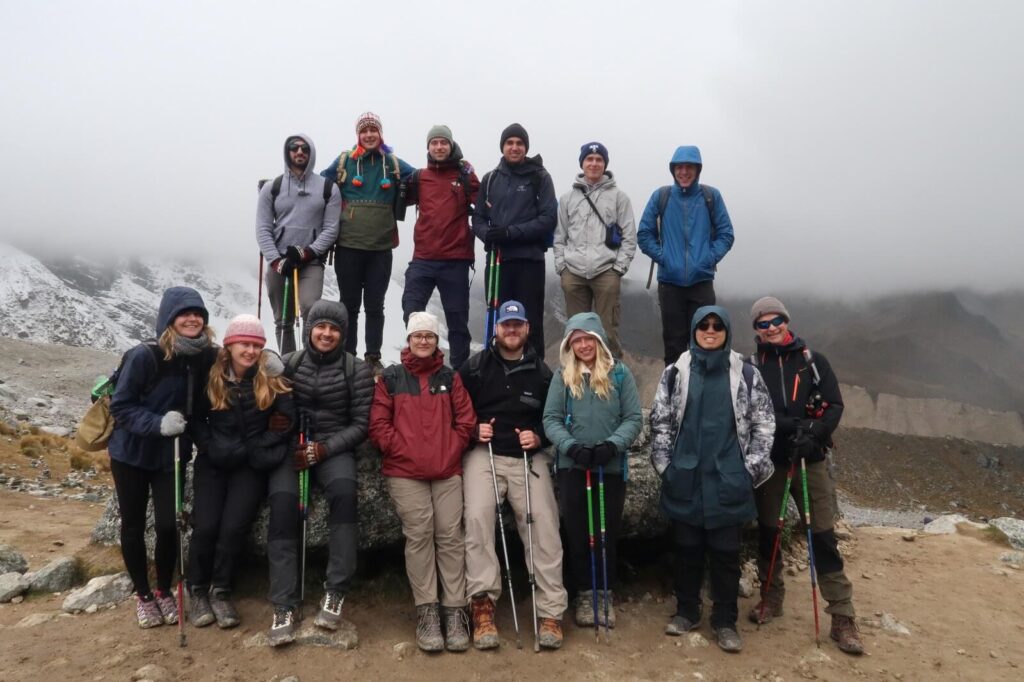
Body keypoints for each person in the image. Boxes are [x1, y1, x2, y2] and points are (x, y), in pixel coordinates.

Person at [649, 306, 775, 653]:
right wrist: (665, 466)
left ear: (726, 331)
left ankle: (724, 621)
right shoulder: (676, 372)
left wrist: (748, 470)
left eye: (717, 325)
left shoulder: (746, 374)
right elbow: (660, 420)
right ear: (693, 330)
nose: (710, 330)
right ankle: (686, 611)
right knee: (686, 550)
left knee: (725, 554)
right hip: (685, 477)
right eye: (703, 325)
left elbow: (764, 425)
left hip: (728, 480)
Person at [747, 296, 864, 655]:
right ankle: (771, 597)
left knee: (823, 536)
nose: (771, 328)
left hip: (810, 461)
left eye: (776, 320)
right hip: (773, 461)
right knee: (770, 533)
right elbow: (754, 413)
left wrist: (812, 436)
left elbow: (835, 405)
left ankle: (842, 615)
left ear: (787, 321)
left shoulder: (813, 362)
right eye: (763, 323)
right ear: (756, 330)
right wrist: (793, 427)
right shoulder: (752, 366)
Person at [458, 300, 567, 650]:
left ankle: (550, 611)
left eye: (518, 324)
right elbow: (456, 413)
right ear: (496, 329)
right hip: (483, 454)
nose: (512, 330)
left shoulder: (543, 372)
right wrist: (474, 430)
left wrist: (539, 436)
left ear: (527, 329)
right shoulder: (474, 368)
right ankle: (482, 604)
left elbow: (555, 418)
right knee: (476, 518)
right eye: (506, 324)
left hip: (526, 457)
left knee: (545, 523)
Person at [265, 300, 374, 646]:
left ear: (342, 333)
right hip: (291, 447)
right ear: (309, 328)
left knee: (344, 495)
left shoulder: (355, 369)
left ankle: (336, 589)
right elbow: (272, 404)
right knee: (282, 507)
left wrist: (323, 449)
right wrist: (278, 422)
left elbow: (361, 425)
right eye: (321, 327)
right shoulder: (290, 363)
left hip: (332, 448)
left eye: (334, 328)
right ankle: (284, 602)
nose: (326, 334)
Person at [108, 286, 217, 628]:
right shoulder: (145, 356)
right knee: (134, 524)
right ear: (169, 319)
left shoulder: (205, 357)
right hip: (132, 453)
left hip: (173, 455)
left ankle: (163, 591)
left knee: (169, 526)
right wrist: (158, 424)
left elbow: (212, 395)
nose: (192, 318)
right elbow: (121, 407)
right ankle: (142, 595)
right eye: (183, 313)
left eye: (198, 313)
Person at [369, 312, 477, 652]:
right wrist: (399, 449)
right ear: (409, 339)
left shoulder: (450, 377)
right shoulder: (391, 378)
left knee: (450, 536)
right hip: (404, 472)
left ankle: (455, 610)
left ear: (435, 341)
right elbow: (378, 423)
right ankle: (427, 610)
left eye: (429, 336)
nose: (424, 341)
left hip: (446, 471)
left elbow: (466, 421)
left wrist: (451, 448)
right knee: (419, 534)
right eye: (418, 336)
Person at [187, 314, 294, 629]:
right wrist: (208, 446)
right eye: (244, 344)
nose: (250, 351)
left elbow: (288, 420)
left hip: (249, 464)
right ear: (230, 345)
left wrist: (259, 446)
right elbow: (195, 419)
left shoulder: (270, 377)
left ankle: (220, 590)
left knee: (233, 528)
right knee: (205, 526)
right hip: (214, 462)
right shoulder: (212, 375)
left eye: (256, 345)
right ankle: (196, 590)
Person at [541, 312, 642, 629]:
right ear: (570, 343)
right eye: (577, 339)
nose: (584, 345)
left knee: (605, 531)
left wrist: (612, 445)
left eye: (589, 339)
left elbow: (633, 419)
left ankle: (604, 592)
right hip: (573, 465)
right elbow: (551, 420)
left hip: (609, 466)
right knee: (578, 531)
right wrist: (571, 446)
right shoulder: (563, 376)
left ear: (599, 340)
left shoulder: (621, 375)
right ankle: (585, 592)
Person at [320, 112, 415, 375]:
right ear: (358, 135)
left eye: (374, 130)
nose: (369, 135)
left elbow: (423, 180)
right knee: (348, 305)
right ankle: (347, 356)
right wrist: (277, 186)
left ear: (380, 134)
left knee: (375, 306)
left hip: (381, 249)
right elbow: (317, 184)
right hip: (348, 246)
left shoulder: (393, 163)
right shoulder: (344, 161)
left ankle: (372, 357)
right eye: (365, 131)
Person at [637, 146, 735, 365]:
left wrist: (708, 259)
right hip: (669, 283)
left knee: (706, 339)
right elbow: (644, 234)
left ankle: (704, 392)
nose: (683, 172)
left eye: (689, 167)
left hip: (702, 281)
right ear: (672, 170)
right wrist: (664, 258)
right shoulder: (661, 196)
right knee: (673, 342)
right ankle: (672, 393)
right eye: (679, 167)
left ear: (697, 169)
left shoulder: (711, 196)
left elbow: (726, 234)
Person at [472, 123, 557, 357]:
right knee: (498, 320)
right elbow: (478, 216)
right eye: (510, 143)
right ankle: (496, 374)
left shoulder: (540, 177)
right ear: (503, 147)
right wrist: (485, 234)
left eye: (520, 143)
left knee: (530, 323)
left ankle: (534, 374)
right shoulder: (490, 179)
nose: (515, 147)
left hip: (530, 261)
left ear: (526, 147)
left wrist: (510, 233)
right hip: (497, 261)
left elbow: (548, 219)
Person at [398, 125, 480, 370]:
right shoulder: (419, 177)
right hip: (423, 258)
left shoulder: (465, 175)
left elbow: (486, 206)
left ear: (451, 145)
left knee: (457, 322)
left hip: (455, 259)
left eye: (443, 142)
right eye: (434, 143)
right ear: (428, 147)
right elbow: (397, 196)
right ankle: (421, 367)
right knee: (411, 311)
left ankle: (459, 374)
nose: (439, 147)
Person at [256, 133, 341, 354]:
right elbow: (263, 228)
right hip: (280, 260)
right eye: (294, 148)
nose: (299, 152)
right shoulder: (271, 188)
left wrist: (307, 253)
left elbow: (331, 229)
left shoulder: (328, 188)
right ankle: (287, 364)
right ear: (288, 152)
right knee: (282, 319)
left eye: (305, 148)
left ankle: (308, 363)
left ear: (311, 153)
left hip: (310, 262)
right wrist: (275, 261)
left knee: (311, 311)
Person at [553, 142, 637, 358]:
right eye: (589, 159)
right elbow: (559, 235)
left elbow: (629, 235)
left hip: (606, 270)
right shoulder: (567, 199)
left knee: (607, 330)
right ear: (582, 163)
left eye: (599, 159)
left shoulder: (620, 197)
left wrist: (619, 268)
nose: (594, 163)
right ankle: (576, 378)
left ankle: (612, 377)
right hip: (573, 272)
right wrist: (562, 267)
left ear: (605, 164)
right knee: (577, 330)